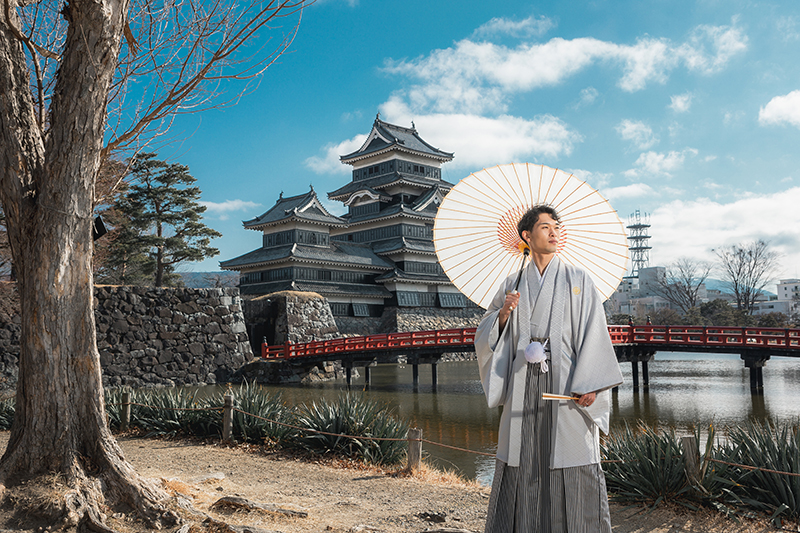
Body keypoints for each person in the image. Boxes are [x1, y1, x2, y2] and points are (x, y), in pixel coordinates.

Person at [475, 204, 623, 532]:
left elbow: (594, 333)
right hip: (522, 384)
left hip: (567, 384)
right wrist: (503, 315)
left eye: (556, 227)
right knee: (523, 454)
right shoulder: (512, 283)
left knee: (572, 455)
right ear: (526, 236)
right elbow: (485, 333)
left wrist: (592, 384)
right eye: (545, 227)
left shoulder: (578, 279)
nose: (554, 232)